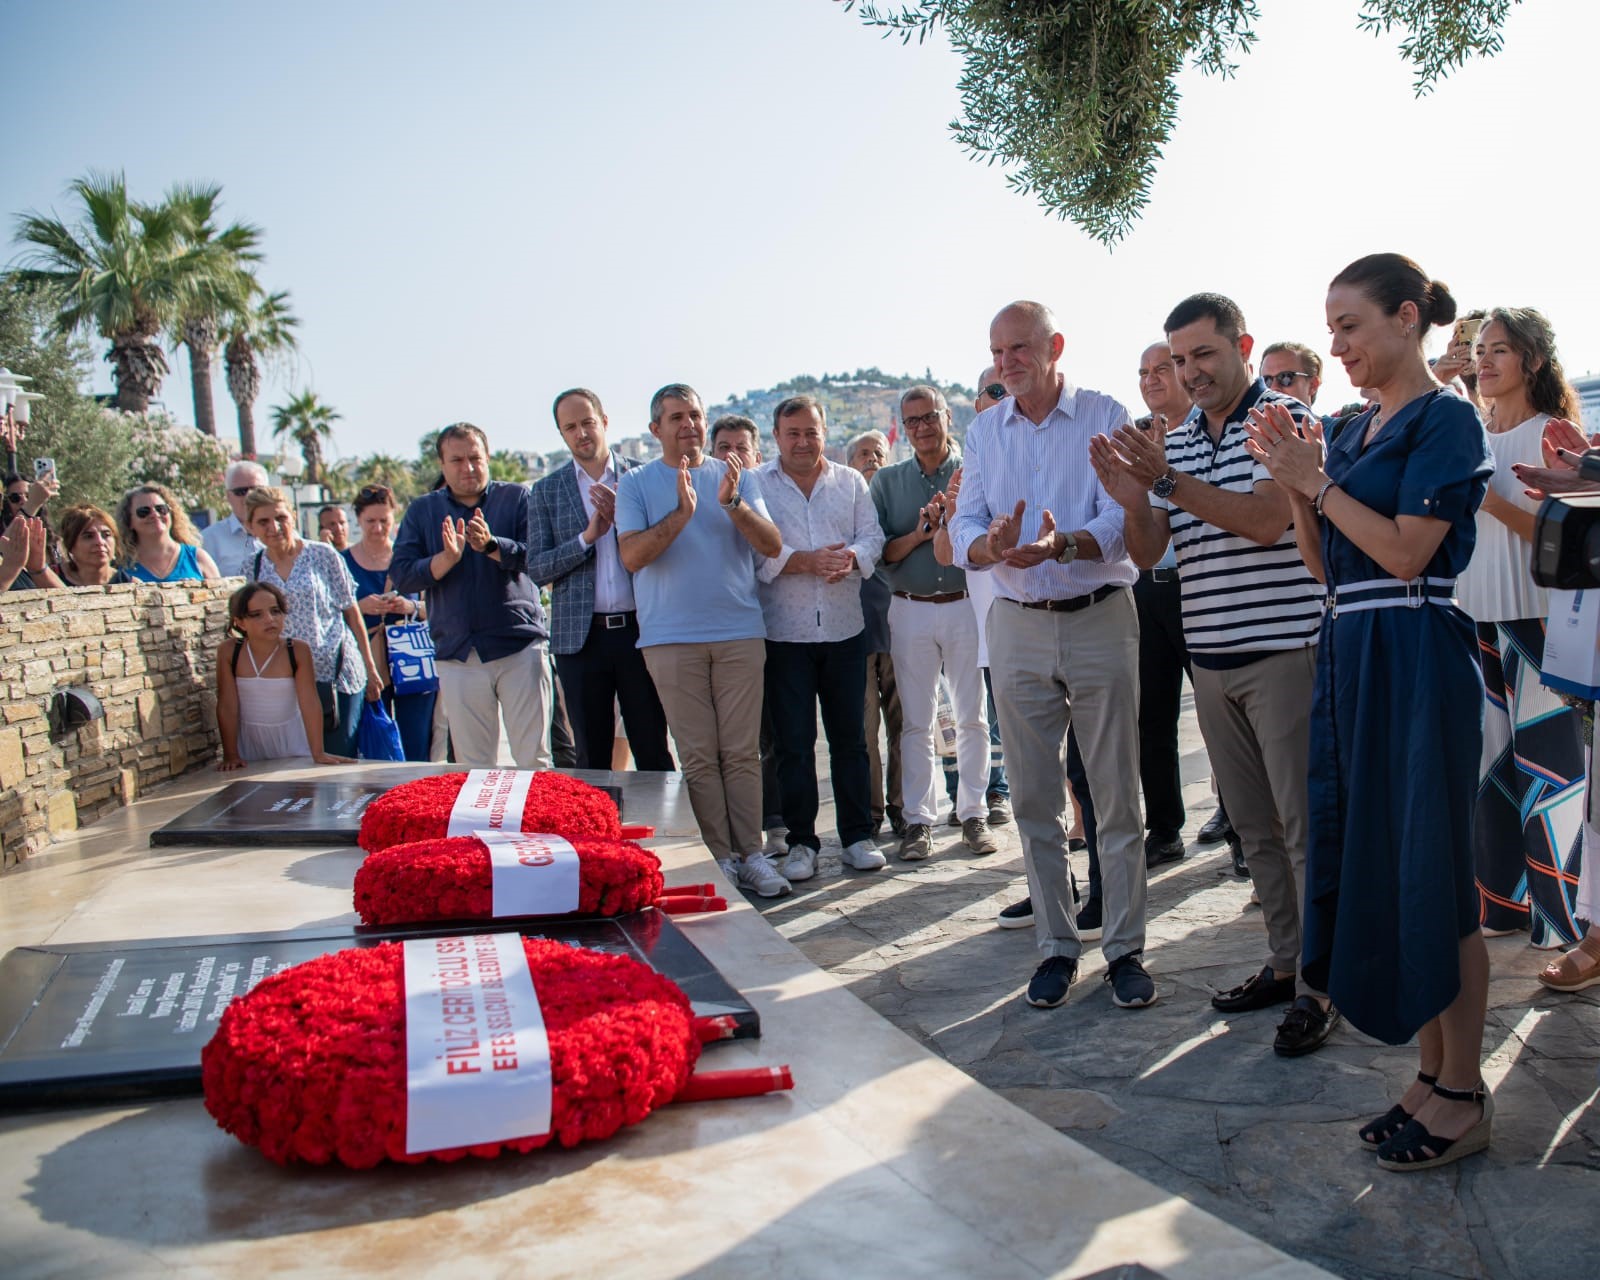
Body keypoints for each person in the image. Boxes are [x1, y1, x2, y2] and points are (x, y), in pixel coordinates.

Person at [1244, 252, 1493, 1171]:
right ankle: (1429, 1074)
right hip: (1351, 649)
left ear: (1408, 317)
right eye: (1332, 328)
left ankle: (1464, 1087)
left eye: (1350, 325)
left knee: (1437, 870)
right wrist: (1292, 478)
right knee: (1388, 869)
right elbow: (1325, 566)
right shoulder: (1347, 430)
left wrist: (1318, 484)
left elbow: (1401, 555)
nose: (1337, 345)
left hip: (1418, 652)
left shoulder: (1446, 419)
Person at [1092, 295, 1335, 1057]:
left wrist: (1163, 484)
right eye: (1176, 360)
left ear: (1242, 346)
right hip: (1215, 661)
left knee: (1304, 832)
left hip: (1286, 653)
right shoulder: (1178, 442)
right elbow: (1151, 553)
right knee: (1256, 832)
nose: (1188, 372)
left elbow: (1266, 521)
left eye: (1203, 355)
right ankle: (1286, 962)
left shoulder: (1284, 421)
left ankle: (1322, 988)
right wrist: (1135, 500)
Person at [947, 301, 1153, 1012]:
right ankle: (1057, 949)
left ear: (1055, 346)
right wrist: (990, 547)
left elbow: (1121, 524)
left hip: (1098, 616)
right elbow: (963, 528)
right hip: (1016, 625)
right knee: (1034, 798)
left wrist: (1063, 544)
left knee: (1114, 792)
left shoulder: (1104, 413)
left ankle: (1125, 949)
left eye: (1020, 348)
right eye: (998, 351)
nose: (1007, 363)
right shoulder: (982, 430)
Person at [616, 384, 785, 896]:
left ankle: (753, 855)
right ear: (656, 430)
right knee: (699, 756)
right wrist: (681, 515)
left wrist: (732, 503)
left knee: (740, 753)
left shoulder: (736, 477)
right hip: (670, 640)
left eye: (694, 415)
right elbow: (632, 556)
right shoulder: (636, 485)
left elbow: (772, 545)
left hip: (738, 632)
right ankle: (722, 857)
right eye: (675, 417)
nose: (687, 425)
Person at [1461, 308, 1587, 949]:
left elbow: (1567, 535)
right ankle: (1503, 907)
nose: (1484, 361)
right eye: (1480, 349)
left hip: (1536, 621)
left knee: (1550, 774)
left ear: (1531, 360)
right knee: (1491, 773)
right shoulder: (1468, 433)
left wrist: (1489, 499)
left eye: (1499, 350)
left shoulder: (1552, 433)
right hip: (1472, 619)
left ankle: (1564, 922)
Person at [757, 395, 886, 877]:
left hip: (843, 628)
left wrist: (851, 557)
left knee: (851, 740)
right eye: (793, 433)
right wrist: (805, 562)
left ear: (824, 432)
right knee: (793, 743)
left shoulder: (850, 482)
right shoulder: (757, 485)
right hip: (784, 633)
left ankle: (856, 836)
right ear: (776, 437)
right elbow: (752, 551)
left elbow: (873, 536)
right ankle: (801, 843)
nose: (803, 441)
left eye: (811, 432)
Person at [873, 385, 999, 861]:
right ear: (904, 429)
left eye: (930, 417)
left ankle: (973, 813)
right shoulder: (886, 483)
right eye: (913, 421)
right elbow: (882, 553)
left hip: (967, 603)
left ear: (948, 417)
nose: (922, 427)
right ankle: (919, 821)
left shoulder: (976, 470)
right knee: (916, 722)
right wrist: (921, 534)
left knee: (972, 715)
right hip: (910, 607)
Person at [391, 423, 553, 769]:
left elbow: (539, 558)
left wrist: (493, 546)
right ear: (442, 465)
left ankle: (534, 825)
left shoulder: (516, 498)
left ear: (488, 457)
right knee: (474, 767)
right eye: (457, 460)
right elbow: (402, 574)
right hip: (458, 654)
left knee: (534, 760)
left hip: (518, 647)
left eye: (475, 458)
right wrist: (444, 560)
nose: (468, 468)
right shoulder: (422, 511)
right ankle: (484, 826)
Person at [529, 388, 673, 772]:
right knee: (590, 755)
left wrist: (624, 524)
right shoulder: (546, 491)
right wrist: (586, 538)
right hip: (581, 640)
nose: (581, 433)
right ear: (561, 434)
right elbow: (538, 568)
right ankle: (596, 831)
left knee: (652, 745)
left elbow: (666, 547)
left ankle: (662, 829)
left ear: (604, 422)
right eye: (570, 427)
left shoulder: (643, 477)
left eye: (588, 422)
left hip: (640, 631)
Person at [245, 486, 385, 757]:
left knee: (340, 760)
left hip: (336, 676)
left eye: (281, 518)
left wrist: (370, 668)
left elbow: (351, 612)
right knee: (298, 765)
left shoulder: (323, 555)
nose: (274, 527)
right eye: (263, 521)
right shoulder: (251, 568)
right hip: (286, 682)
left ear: (293, 517)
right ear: (250, 526)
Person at [1129, 342, 1197, 871]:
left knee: (1222, 719)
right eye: (1143, 372)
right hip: (1143, 589)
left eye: (1162, 369)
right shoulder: (1133, 439)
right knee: (1151, 717)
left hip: (1199, 586)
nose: (1152, 379)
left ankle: (1242, 829)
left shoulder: (1206, 431)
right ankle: (1166, 828)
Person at [713, 415, 786, 855]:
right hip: (725, 629)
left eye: (741, 447)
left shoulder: (764, 494)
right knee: (729, 741)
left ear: (757, 456)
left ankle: (774, 822)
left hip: (772, 627)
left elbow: (776, 553)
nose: (732, 455)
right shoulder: (702, 493)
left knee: (770, 735)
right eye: (723, 447)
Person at [341, 484, 436, 761]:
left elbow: (440, 608)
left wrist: (410, 606)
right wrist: (360, 607)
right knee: (374, 742)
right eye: (371, 521)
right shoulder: (343, 561)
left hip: (411, 662)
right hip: (366, 661)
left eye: (384, 520)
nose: (378, 528)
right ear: (358, 519)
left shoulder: (410, 559)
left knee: (417, 741)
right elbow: (332, 613)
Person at [216, 581, 350, 768]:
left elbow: (309, 702)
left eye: (275, 611)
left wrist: (318, 752)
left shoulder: (296, 650)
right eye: (257, 615)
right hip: (249, 743)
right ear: (240, 623)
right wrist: (230, 754)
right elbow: (227, 705)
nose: (269, 619)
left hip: (291, 741)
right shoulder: (230, 651)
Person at [847, 428, 905, 838]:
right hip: (855, 634)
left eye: (879, 453)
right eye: (864, 454)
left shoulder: (898, 502)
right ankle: (870, 815)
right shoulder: (843, 503)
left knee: (907, 727)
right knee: (864, 732)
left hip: (901, 629)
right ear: (850, 463)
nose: (872, 460)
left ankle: (903, 809)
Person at [117, 483, 222, 583]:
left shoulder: (197, 558)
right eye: (144, 511)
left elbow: (221, 598)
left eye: (161, 509)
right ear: (129, 521)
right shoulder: (121, 567)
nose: (154, 514)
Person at [202, 460, 268, 577]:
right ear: (228, 496)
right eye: (241, 492)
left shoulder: (286, 535)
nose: (249, 496)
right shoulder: (208, 540)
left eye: (256, 490)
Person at [55, 505, 133, 586]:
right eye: (88, 536)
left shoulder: (132, 586)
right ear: (70, 545)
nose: (100, 542)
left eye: (106, 535)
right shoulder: (48, 578)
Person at [1258, 341, 1323, 409]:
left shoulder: (1333, 420)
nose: (1273, 388)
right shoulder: (1248, 419)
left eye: (1285, 377)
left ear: (1312, 385)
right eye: (1266, 381)